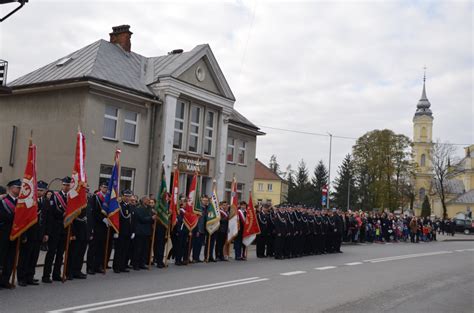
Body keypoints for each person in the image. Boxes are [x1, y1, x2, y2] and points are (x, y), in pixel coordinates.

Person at [16, 180, 47, 286]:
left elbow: (46, 219)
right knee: (25, 257)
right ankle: (21, 277)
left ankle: (30, 276)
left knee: (34, 257)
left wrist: (45, 233)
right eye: (37, 189)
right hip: (29, 234)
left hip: (39, 234)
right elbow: (23, 219)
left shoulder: (45, 201)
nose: (39, 192)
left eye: (41, 190)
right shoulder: (29, 201)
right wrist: (23, 235)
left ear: (44, 191)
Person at [42, 177, 70, 283]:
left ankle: (56, 274)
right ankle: (46, 275)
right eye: (65, 185)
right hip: (55, 228)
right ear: (61, 185)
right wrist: (62, 214)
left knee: (60, 254)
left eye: (68, 185)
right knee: (51, 253)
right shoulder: (55, 196)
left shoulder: (71, 197)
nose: (66, 187)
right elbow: (51, 212)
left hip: (65, 229)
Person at [0, 179, 21, 289]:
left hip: (16, 234)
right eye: (18, 187)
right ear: (11, 188)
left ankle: (5, 280)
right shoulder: (3, 200)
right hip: (3, 233)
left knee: (10, 258)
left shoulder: (21, 203)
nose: (20, 189)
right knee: (1, 257)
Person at [132, 196, 157, 270]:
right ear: (143, 201)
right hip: (140, 231)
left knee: (145, 249)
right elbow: (141, 219)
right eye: (147, 200)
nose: (149, 201)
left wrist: (154, 217)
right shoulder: (139, 208)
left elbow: (151, 218)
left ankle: (142, 263)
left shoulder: (149, 209)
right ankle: (135, 264)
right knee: (138, 249)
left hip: (147, 231)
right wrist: (151, 218)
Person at [90, 182, 109, 274]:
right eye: (104, 187)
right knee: (94, 247)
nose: (105, 189)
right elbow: (93, 212)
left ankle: (98, 266)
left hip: (105, 226)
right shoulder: (95, 197)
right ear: (100, 187)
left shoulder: (108, 198)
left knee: (101, 247)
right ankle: (90, 267)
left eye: (106, 187)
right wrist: (102, 219)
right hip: (97, 225)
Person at [113, 190, 133, 273]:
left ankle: (122, 266)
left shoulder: (130, 206)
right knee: (119, 250)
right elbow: (116, 220)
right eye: (126, 196)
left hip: (128, 232)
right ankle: (116, 267)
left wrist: (132, 231)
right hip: (120, 232)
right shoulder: (119, 206)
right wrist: (115, 231)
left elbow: (132, 220)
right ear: (123, 196)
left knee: (125, 250)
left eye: (129, 196)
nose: (128, 198)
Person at [192, 195, 208, 263]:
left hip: (204, 229)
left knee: (200, 244)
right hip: (199, 229)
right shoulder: (199, 208)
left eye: (206, 201)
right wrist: (198, 229)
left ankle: (197, 257)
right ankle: (194, 257)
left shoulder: (206, 208)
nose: (205, 202)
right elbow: (198, 220)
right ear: (201, 201)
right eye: (204, 200)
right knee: (196, 244)